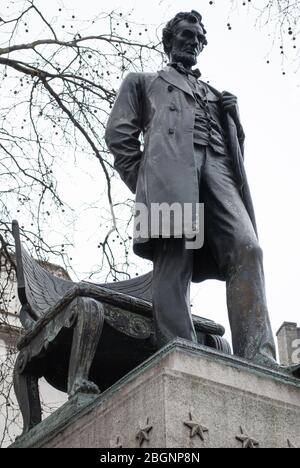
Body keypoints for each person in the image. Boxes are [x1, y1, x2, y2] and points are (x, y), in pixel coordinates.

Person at [105, 10, 278, 369]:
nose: (193, 41)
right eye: (186, 34)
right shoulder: (143, 81)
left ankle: (259, 356)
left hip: (219, 172)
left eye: (199, 37)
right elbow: (119, 136)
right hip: (170, 176)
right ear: (169, 40)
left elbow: (234, 154)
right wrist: (147, 183)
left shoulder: (216, 95)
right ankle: (180, 351)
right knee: (174, 260)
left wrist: (236, 124)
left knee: (248, 249)